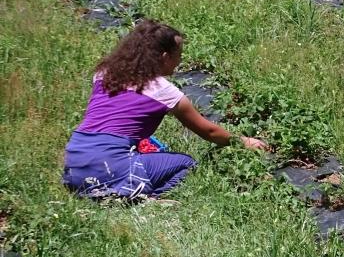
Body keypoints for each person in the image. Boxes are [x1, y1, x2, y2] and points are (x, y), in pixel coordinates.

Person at [63, 20, 269, 199]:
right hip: (109, 165)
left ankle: (100, 188)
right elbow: (209, 131)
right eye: (178, 55)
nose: (180, 61)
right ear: (164, 57)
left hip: (73, 162)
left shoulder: (104, 73)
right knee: (186, 165)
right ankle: (137, 196)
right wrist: (243, 141)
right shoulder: (163, 90)